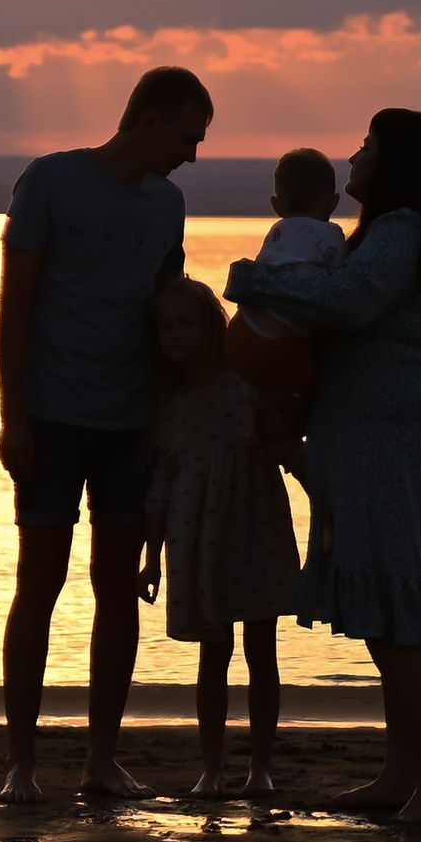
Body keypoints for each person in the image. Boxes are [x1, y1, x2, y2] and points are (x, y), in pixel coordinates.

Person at [222, 107, 421, 823]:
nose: (354, 157)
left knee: (390, 595)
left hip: (384, 434)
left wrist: (253, 282)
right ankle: (403, 771)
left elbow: (348, 302)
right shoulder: (396, 232)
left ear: (395, 164)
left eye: (367, 146)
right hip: (371, 429)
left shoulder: (403, 230)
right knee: (380, 593)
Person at [0, 66, 213, 804]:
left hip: (132, 426)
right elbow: (15, 305)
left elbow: (171, 312)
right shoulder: (50, 181)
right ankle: (22, 766)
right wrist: (13, 416)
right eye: (186, 136)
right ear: (149, 119)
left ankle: (100, 762)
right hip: (51, 420)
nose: (191, 154)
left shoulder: (169, 204)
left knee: (118, 590)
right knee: (39, 584)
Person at [139, 278, 300, 800]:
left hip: (255, 525)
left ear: (211, 326)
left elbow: (284, 441)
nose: (176, 335)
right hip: (198, 536)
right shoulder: (170, 401)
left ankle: (260, 767)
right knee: (214, 652)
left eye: (186, 324)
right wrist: (151, 558)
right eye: (166, 327)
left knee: (261, 649)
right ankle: (211, 767)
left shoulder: (246, 382)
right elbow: (160, 486)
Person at [228, 148, 348, 464]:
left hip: (242, 332)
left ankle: (255, 430)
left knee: (257, 391)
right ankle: (289, 448)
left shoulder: (276, 232)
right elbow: (341, 283)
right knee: (307, 386)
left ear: (276, 205)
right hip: (283, 343)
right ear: (334, 202)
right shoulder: (332, 234)